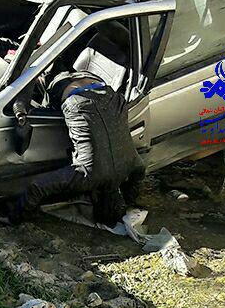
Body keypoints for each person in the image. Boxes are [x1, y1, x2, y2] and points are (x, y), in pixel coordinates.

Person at [9, 71, 144, 224]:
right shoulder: (86, 176)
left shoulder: (134, 164)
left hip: (101, 86)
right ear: (96, 199)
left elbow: (137, 178)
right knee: (44, 78)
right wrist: (15, 218)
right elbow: (36, 187)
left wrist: (130, 199)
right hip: (67, 90)